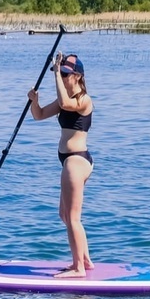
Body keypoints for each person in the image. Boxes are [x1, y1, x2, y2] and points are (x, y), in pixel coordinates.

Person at [28, 51, 95, 278]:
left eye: (67, 75)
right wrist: (33, 101)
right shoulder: (62, 101)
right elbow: (38, 115)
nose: (64, 78)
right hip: (68, 162)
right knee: (65, 215)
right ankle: (85, 259)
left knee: (73, 218)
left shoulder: (83, 100)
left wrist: (56, 71)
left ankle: (78, 268)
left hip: (77, 161)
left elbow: (67, 103)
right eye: (62, 74)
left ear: (77, 77)